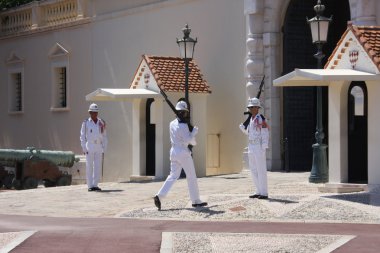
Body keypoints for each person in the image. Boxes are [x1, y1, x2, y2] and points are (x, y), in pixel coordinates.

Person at [153, 101, 207, 210]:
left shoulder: (172, 123)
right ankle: (195, 200)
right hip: (183, 152)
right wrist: (194, 132)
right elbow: (188, 140)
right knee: (191, 176)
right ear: (182, 112)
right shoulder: (183, 126)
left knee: (173, 176)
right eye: (184, 113)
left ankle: (159, 196)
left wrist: (191, 134)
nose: (185, 115)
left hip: (173, 151)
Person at [239, 97, 269, 199]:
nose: (250, 109)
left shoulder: (261, 119)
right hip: (251, 146)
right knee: (253, 170)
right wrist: (243, 129)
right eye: (250, 107)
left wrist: (264, 146)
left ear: (257, 107)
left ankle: (264, 192)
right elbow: (249, 133)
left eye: (252, 107)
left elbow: (265, 132)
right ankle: (258, 190)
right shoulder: (251, 119)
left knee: (261, 170)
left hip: (259, 146)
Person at [80, 103, 108, 192]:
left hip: (98, 146)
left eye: (96, 112)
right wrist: (84, 148)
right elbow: (82, 136)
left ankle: (95, 184)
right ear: (90, 112)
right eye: (93, 112)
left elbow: (104, 136)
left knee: (97, 166)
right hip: (90, 146)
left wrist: (104, 147)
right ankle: (90, 185)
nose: (95, 114)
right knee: (89, 166)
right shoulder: (86, 123)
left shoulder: (101, 122)